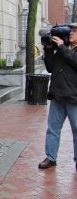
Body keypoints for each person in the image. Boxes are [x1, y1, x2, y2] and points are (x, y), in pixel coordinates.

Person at [38, 22, 77, 170]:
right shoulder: (63, 49)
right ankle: (51, 158)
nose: (71, 33)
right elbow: (50, 67)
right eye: (71, 30)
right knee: (52, 128)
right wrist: (48, 49)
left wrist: (62, 47)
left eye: (74, 31)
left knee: (76, 130)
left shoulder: (65, 49)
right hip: (58, 95)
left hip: (74, 97)